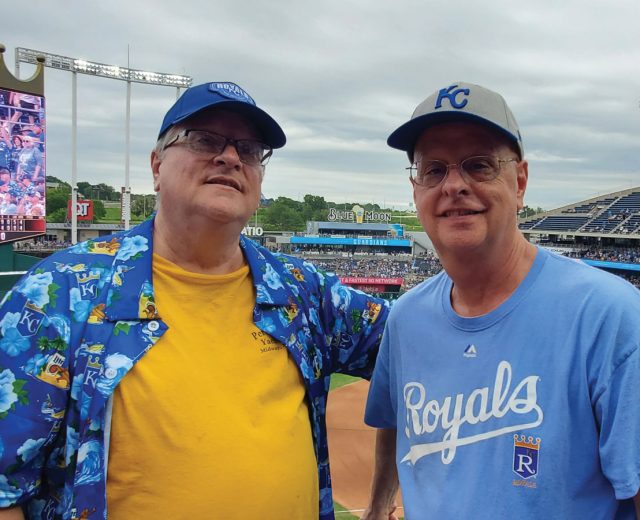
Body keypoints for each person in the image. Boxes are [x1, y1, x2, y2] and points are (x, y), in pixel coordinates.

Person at [0, 81, 389, 520]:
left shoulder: (301, 289)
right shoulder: (60, 291)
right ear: (156, 165)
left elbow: (419, 342)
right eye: (204, 140)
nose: (230, 157)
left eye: (249, 148)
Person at [363, 82, 640, 519]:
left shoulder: (610, 315)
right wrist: (379, 505)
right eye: (433, 170)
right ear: (416, 191)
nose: (453, 185)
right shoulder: (407, 317)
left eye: (478, 165)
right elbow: (395, 419)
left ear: (520, 183)